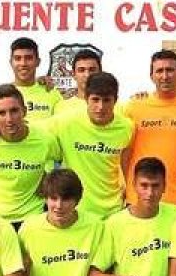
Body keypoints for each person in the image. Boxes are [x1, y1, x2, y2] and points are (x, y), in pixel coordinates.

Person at [124, 50, 176, 208]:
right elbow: (123, 150)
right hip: (140, 197)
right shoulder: (133, 107)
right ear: (151, 76)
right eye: (159, 71)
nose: (165, 76)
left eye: (170, 70)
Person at [0, 84, 57, 230]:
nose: (9, 119)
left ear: (24, 111)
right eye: (2, 113)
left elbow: (61, 159)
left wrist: (49, 177)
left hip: (32, 217)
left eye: (14, 111)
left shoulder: (45, 140)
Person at [48, 72, 135, 219]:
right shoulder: (66, 122)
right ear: (86, 98)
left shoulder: (127, 127)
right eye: (95, 100)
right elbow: (30, 130)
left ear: (115, 101)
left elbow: (127, 165)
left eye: (107, 100)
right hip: (78, 210)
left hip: (114, 210)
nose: (100, 107)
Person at [8, 37, 63, 127]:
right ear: (11, 62)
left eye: (28, 58)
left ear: (38, 62)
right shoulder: (1, 94)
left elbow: (60, 126)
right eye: (18, 58)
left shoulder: (51, 92)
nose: (23, 64)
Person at [54, 48, 103, 117]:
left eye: (92, 70)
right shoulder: (61, 108)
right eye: (81, 70)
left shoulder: (116, 107)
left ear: (100, 73)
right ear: (73, 74)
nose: (87, 75)